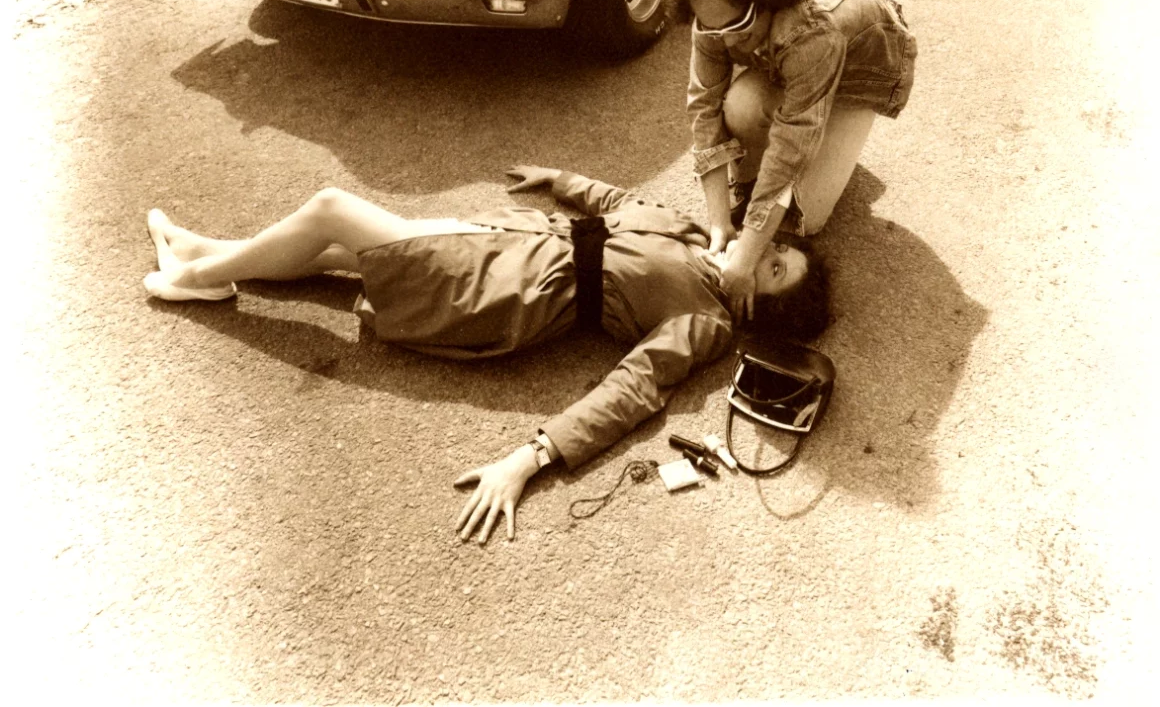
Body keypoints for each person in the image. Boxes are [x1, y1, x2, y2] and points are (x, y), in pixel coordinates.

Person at [143, 165, 831, 544]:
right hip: (507, 237)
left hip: (504, 290)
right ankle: (208, 252)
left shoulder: (706, 321)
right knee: (340, 249)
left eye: (773, 269)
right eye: (774, 248)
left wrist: (527, 460)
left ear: (758, 308)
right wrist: (559, 178)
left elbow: (632, 389)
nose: (761, 251)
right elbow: (621, 201)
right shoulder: (700, 236)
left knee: (331, 210)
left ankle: (199, 277)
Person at [666, 0, 917, 319]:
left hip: (858, 73)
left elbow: (788, 150)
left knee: (807, 219)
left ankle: (832, 141)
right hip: (790, 67)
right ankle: (792, 161)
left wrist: (745, 259)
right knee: (741, 105)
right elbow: (703, 109)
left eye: (738, 25)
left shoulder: (811, 32)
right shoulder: (713, 20)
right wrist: (718, 223)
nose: (726, 39)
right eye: (713, 29)